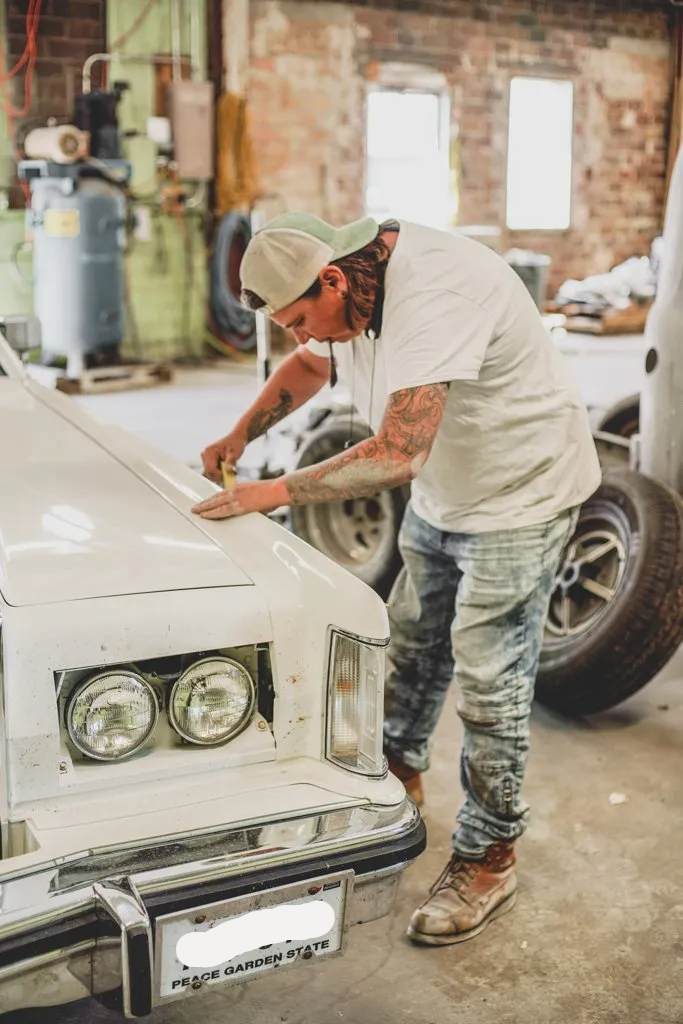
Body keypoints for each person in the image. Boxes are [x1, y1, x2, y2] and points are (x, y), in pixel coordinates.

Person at [191, 212, 602, 946]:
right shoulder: (349, 296)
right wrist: (240, 432)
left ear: (333, 278)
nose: (299, 335)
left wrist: (268, 490)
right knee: (410, 647)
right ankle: (396, 782)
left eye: (299, 318)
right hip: (448, 491)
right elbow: (314, 365)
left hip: (521, 495)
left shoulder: (434, 291)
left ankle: (488, 854)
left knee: (489, 685)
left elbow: (394, 453)